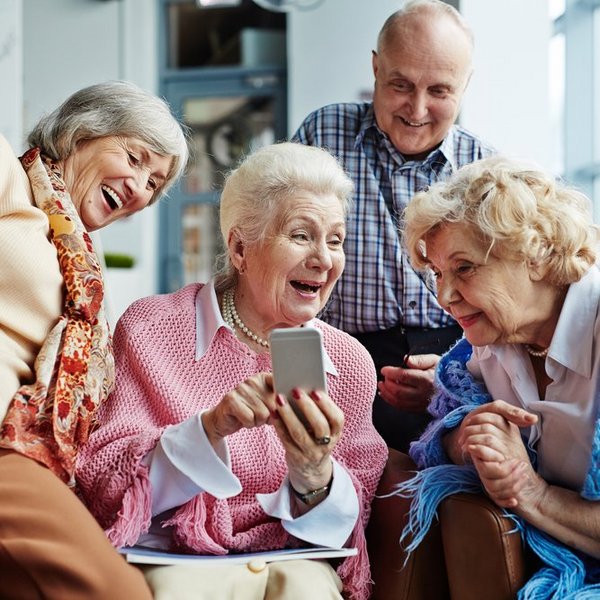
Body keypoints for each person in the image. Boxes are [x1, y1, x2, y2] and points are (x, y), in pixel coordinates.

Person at [76, 142, 388, 600]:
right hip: (174, 558)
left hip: (292, 560)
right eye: (301, 235)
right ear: (240, 247)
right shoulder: (151, 329)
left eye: (335, 240)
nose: (324, 258)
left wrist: (314, 473)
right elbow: (104, 479)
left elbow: (353, 523)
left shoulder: (350, 362)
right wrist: (209, 429)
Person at [0, 80, 189, 599]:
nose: (139, 188)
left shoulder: (85, 258)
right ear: (83, 132)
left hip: (41, 453)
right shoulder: (7, 178)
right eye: (134, 158)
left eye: (153, 183)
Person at [292, 0, 495, 452]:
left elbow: (508, 319)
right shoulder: (322, 134)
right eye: (401, 84)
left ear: (465, 86)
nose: (417, 109)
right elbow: (279, 258)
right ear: (376, 68)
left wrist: (451, 375)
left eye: (440, 91)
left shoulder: (486, 171)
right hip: (337, 362)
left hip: (458, 364)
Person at [397, 155, 600, 596]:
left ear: (538, 255)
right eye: (437, 274)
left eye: (464, 268)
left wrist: (535, 494)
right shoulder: (484, 347)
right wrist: (467, 436)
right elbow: (442, 438)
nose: (444, 297)